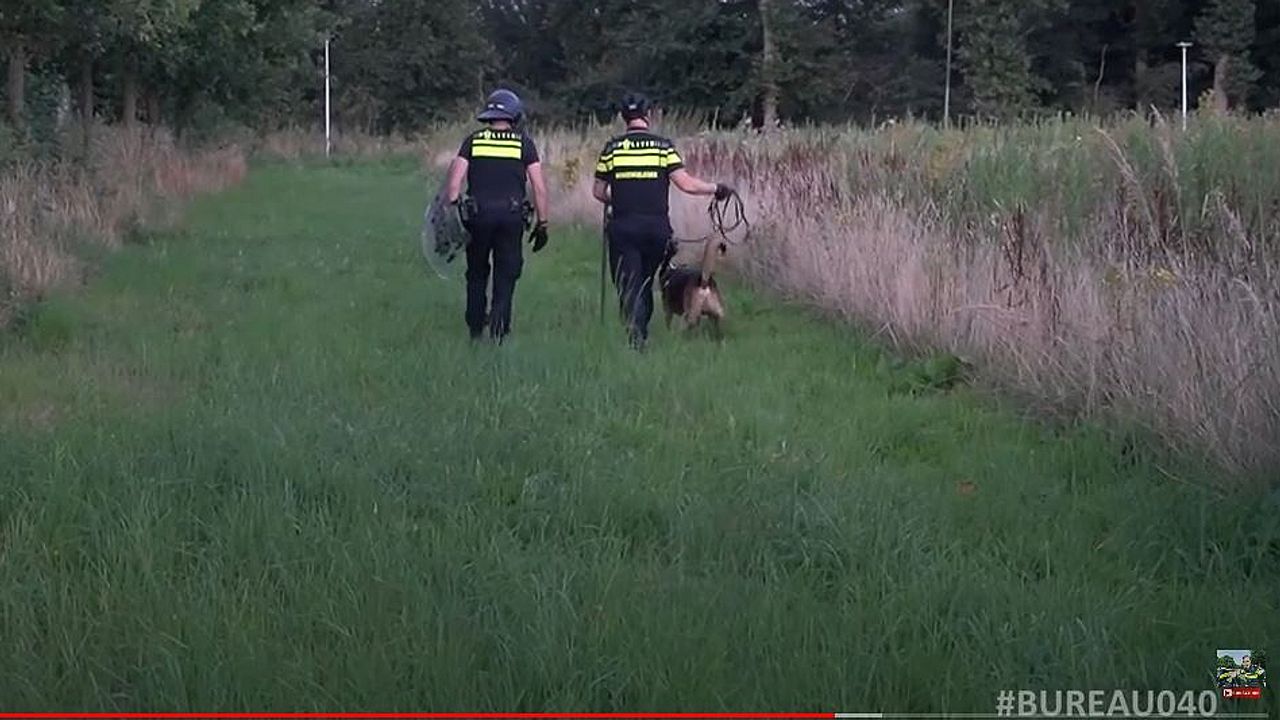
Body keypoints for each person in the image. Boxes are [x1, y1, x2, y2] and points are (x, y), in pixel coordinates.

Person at [592, 92, 732, 350]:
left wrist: (621, 197)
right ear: (648, 115)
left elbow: (599, 192)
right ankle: (641, 332)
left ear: (624, 118)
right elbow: (687, 185)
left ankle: (636, 336)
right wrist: (717, 188)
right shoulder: (663, 147)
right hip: (656, 230)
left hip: (623, 227)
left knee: (628, 283)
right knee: (646, 280)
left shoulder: (612, 148)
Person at [444, 89, 549, 343]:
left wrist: (455, 214)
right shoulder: (524, 144)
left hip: (478, 217)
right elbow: (539, 188)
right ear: (515, 115)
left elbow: (454, 185)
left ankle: (475, 328)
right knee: (507, 271)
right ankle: (500, 329)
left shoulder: (473, 141)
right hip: (511, 218)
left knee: (477, 272)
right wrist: (543, 223)